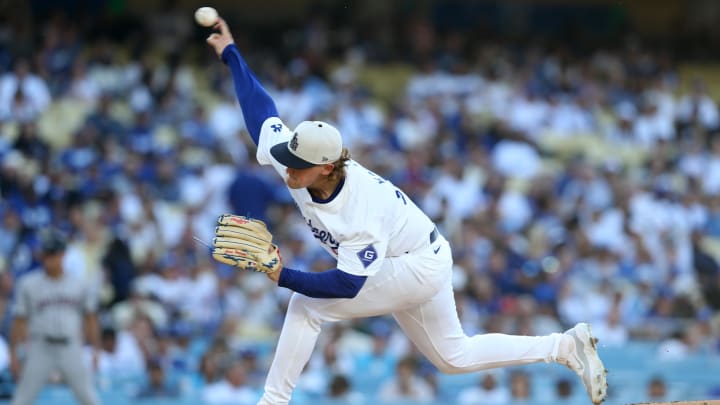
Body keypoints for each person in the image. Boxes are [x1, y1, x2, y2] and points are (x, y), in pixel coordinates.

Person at [205, 16, 608, 405]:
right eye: (288, 159)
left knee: (304, 304)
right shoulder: (297, 159)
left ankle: (273, 402)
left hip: (414, 265)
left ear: (327, 166)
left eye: (299, 165)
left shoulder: (362, 210)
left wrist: (282, 275)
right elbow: (263, 115)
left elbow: (348, 286)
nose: (288, 169)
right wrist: (231, 53)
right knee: (453, 358)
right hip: (418, 257)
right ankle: (564, 345)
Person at [9, 228, 101, 405]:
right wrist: (14, 353)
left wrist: (96, 350)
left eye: (54, 253)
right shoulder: (28, 284)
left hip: (70, 347)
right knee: (21, 400)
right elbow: (19, 321)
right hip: (40, 347)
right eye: (47, 254)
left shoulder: (79, 284)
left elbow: (91, 319)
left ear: (63, 254)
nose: (50, 258)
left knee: (89, 399)